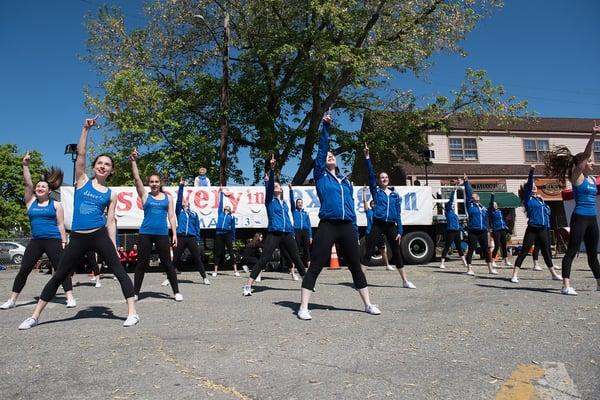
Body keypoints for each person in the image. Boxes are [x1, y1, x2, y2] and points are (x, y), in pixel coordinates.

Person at [17, 116, 139, 329]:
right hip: (79, 237)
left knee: (119, 271)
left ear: (111, 171)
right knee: (60, 275)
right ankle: (35, 316)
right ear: (94, 167)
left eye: (107, 164)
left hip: (99, 235)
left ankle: (132, 313)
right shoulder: (82, 181)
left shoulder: (111, 195)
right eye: (100, 163)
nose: (103, 166)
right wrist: (85, 130)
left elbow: (110, 222)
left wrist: (113, 245)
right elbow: (81, 154)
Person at [298, 114, 380, 320]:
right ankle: (303, 307)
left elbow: (363, 191)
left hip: (346, 227)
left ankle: (368, 304)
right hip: (328, 225)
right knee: (316, 264)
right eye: (328, 156)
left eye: (333, 155)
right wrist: (325, 126)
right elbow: (321, 150)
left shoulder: (345, 181)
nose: (330, 156)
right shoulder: (320, 175)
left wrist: (353, 226)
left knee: (355, 265)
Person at [1, 154, 75, 310]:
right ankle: (12, 300)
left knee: (61, 270)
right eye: (38, 186)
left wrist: (63, 241)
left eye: (43, 187)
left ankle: (69, 297)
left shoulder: (56, 205)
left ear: (49, 191)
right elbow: (27, 184)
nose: (40, 188)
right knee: (24, 270)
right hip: (36, 241)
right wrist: (25, 166)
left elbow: (61, 225)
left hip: (53, 240)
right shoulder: (30, 202)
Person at [545, 122, 600, 295]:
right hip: (580, 218)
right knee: (572, 251)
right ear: (581, 164)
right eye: (589, 161)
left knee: (593, 254)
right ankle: (565, 285)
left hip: (592, 219)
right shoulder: (577, 177)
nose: (592, 163)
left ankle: (599, 283)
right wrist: (593, 136)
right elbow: (585, 155)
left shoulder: (592, 179)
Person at [242, 155, 306, 295]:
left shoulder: (284, 203)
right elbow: (270, 186)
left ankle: (307, 283)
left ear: (281, 190)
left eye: (278, 185)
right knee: (264, 258)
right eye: (275, 185)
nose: (277, 186)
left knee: (296, 257)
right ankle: (248, 285)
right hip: (274, 233)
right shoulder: (269, 201)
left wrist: (291, 230)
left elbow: (288, 217)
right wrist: (271, 169)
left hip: (288, 233)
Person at [130, 148, 183, 301]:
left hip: (161, 234)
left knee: (167, 263)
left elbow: (172, 217)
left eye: (156, 182)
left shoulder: (168, 198)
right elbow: (137, 178)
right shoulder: (145, 195)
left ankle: (176, 292)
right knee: (142, 264)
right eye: (151, 182)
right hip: (145, 233)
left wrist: (174, 234)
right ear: (149, 183)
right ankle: (135, 293)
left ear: (160, 183)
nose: (154, 184)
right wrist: (133, 162)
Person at [361, 143, 415, 288]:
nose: (384, 179)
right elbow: (371, 175)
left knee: (396, 252)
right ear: (379, 180)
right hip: (378, 224)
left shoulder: (394, 195)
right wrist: (367, 157)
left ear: (388, 179)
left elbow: (398, 214)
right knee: (370, 249)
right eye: (381, 177)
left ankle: (405, 281)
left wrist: (400, 230)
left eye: (386, 177)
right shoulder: (376, 191)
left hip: (391, 225)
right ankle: (360, 280)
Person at [510, 165, 562, 283]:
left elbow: (546, 213)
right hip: (533, 228)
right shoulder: (527, 199)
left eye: (534, 187)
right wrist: (531, 171)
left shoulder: (540, 199)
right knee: (524, 250)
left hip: (543, 228)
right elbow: (529, 184)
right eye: (531, 187)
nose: (534, 188)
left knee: (546, 251)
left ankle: (553, 274)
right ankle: (515, 274)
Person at [172, 178, 210, 285]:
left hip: (192, 238)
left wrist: (197, 238)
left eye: (186, 201)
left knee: (197, 258)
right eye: (183, 202)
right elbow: (179, 200)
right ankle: (169, 278)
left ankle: (204, 277)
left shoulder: (194, 214)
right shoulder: (179, 212)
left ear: (189, 204)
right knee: (176, 258)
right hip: (181, 237)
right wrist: (181, 186)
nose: (185, 202)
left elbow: (197, 226)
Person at [463, 174, 497, 275]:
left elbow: (491, 208)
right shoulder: (470, 205)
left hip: (483, 231)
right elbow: (469, 193)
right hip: (473, 231)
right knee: (471, 249)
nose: (475, 195)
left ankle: (490, 269)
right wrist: (466, 182)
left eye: (476, 195)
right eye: (474, 195)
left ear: (479, 198)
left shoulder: (482, 207)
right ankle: (469, 268)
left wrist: (492, 196)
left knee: (486, 250)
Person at [361, 188, 392, 271]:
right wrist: (364, 193)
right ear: (370, 205)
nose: (373, 205)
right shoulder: (369, 212)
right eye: (372, 204)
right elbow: (364, 202)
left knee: (382, 249)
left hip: (379, 234)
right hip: (369, 233)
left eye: (374, 203)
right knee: (368, 250)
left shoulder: (379, 213)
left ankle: (387, 265)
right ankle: (365, 266)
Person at [439, 189, 468, 269]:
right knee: (447, 246)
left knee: (459, 247)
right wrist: (453, 192)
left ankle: (464, 262)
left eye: (452, 205)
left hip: (457, 231)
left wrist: (463, 231)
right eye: (451, 205)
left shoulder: (455, 214)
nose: (452, 205)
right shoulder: (448, 212)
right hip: (450, 231)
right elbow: (451, 200)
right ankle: (442, 263)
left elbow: (458, 224)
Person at [213, 188, 239, 277]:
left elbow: (233, 229)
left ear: (230, 209)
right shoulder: (220, 213)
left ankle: (235, 270)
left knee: (231, 252)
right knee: (218, 252)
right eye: (226, 206)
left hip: (227, 234)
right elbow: (220, 203)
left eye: (229, 206)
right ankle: (215, 271)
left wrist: (233, 239)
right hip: (219, 234)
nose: (227, 206)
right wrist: (221, 193)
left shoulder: (231, 217)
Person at [289, 183, 312, 276]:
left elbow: (309, 225)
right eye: (298, 203)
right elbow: (291, 201)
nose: (300, 204)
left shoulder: (305, 213)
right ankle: (293, 270)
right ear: (296, 204)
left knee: (307, 250)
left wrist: (310, 236)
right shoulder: (294, 211)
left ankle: (310, 270)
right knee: (296, 250)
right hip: (297, 231)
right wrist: (291, 190)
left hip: (305, 232)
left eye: (301, 203)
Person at [488, 194, 512, 268]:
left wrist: (505, 226)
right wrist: (492, 196)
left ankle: (506, 261)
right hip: (496, 230)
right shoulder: (491, 212)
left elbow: (502, 220)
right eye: (493, 204)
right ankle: (493, 261)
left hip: (502, 229)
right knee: (497, 245)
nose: (495, 205)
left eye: (496, 204)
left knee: (504, 245)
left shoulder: (499, 212)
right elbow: (491, 203)